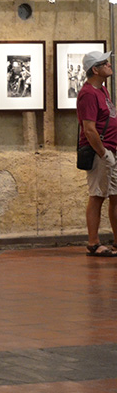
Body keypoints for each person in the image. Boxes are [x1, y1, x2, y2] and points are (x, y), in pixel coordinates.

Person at [78, 50, 117, 257]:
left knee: (115, 196)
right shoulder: (88, 94)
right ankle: (93, 243)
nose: (109, 65)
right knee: (97, 196)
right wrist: (103, 153)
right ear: (95, 69)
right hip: (100, 153)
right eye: (106, 63)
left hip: (111, 149)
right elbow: (89, 128)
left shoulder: (102, 90)